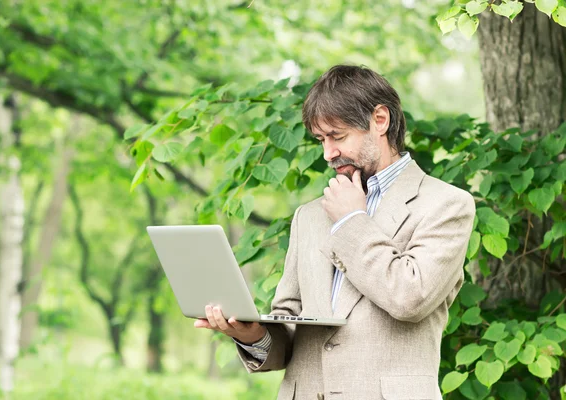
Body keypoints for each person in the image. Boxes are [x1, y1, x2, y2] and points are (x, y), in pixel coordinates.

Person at [194, 65, 475, 399]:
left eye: (337, 136)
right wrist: (252, 334)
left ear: (380, 120)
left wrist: (351, 221)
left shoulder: (447, 205)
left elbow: (410, 298)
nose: (328, 153)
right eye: (320, 140)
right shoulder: (309, 216)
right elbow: (287, 328)